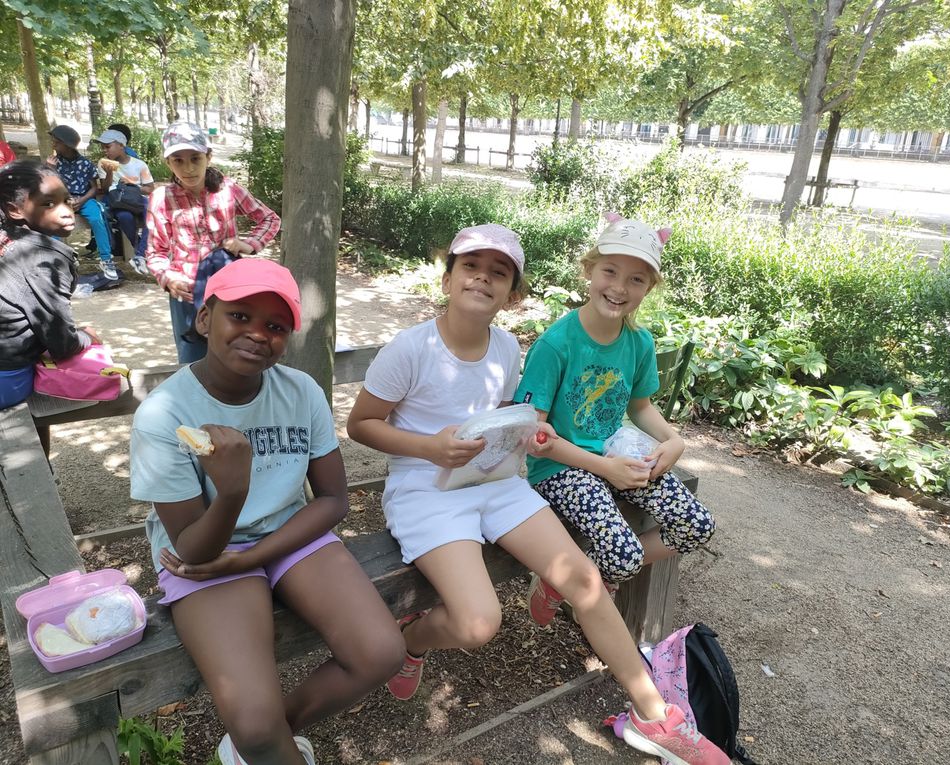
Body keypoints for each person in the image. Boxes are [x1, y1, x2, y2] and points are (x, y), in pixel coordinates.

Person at [346, 224, 729, 765]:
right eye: (471, 266)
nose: (483, 277)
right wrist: (430, 447)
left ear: (513, 292)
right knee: (479, 624)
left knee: (587, 581)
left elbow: (515, 422)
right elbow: (361, 425)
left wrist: (534, 435)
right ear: (449, 274)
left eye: (498, 272)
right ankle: (414, 641)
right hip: (427, 489)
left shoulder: (506, 345)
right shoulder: (411, 347)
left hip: (497, 481)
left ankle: (654, 715)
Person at [129, 258, 404, 765]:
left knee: (381, 653)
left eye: (275, 326)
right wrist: (232, 492)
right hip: (204, 554)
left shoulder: (300, 392)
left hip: (290, 534)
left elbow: (333, 500)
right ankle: (263, 742)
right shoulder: (164, 415)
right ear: (205, 318)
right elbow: (192, 546)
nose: (257, 334)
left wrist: (252, 555)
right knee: (255, 721)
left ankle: (262, 744)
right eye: (240, 316)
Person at [515, 214, 715, 625]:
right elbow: (533, 434)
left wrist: (673, 440)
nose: (620, 288)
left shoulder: (638, 342)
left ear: (649, 287)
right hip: (561, 467)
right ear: (589, 271)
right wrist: (606, 469)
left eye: (637, 279)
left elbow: (640, 406)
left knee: (697, 526)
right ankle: (590, 578)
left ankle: (579, 578)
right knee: (624, 556)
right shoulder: (556, 344)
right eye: (610, 271)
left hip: (616, 454)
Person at [146, 121, 280, 364]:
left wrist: (249, 244)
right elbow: (156, 251)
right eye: (178, 160)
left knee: (236, 353)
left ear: (208, 156)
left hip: (230, 290)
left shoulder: (227, 190)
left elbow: (269, 219)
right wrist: (168, 279)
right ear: (168, 163)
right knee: (192, 360)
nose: (188, 168)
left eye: (195, 158)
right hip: (186, 294)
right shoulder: (161, 199)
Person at [0, 160, 102, 452]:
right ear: (15, 209)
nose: (66, 211)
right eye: (49, 203)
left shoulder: (7, 239)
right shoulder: (44, 258)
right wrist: (86, 336)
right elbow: (61, 342)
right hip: (8, 376)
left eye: (66, 201)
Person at [45, 124, 118, 280]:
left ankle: (106, 259)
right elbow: (49, 187)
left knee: (97, 218)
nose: (53, 145)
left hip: (84, 199)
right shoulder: (53, 162)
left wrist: (82, 200)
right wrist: (50, 169)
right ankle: (58, 260)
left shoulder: (85, 164)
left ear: (67, 145)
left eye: (56, 142)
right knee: (54, 223)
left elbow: (94, 188)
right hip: (61, 200)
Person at [95, 127, 153, 275]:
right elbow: (106, 188)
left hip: (138, 199)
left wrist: (133, 186)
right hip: (120, 201)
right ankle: (141, 251)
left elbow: (149, 189)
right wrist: (109, 173)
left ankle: (140, 254)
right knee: (124, 217)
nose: (105, 151)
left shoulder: (139, 165)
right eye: (103, 147)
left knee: (150, 213)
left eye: (108, 147)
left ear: (121, 145)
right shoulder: (103, 164)